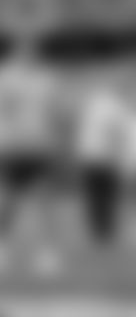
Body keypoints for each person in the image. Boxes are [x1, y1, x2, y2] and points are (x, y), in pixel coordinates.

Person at [0, 29, 72, 275]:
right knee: (5, 201)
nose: (29, 53)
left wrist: (61, 141)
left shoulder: (49, 79)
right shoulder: (3, 78)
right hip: (11, 147)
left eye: (33, 48)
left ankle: (48, 255)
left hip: (41, 147)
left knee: (45, 201)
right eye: (23, 48)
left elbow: (59, 112)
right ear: (15, 51)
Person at [67, 77, 134, 252]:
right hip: (103, 158)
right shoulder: (113, 107)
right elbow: (116, 132)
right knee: (105, 197)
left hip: (93, 157)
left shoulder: (96, 105)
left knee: (99, 198)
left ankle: (101, 233)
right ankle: (103, 234)